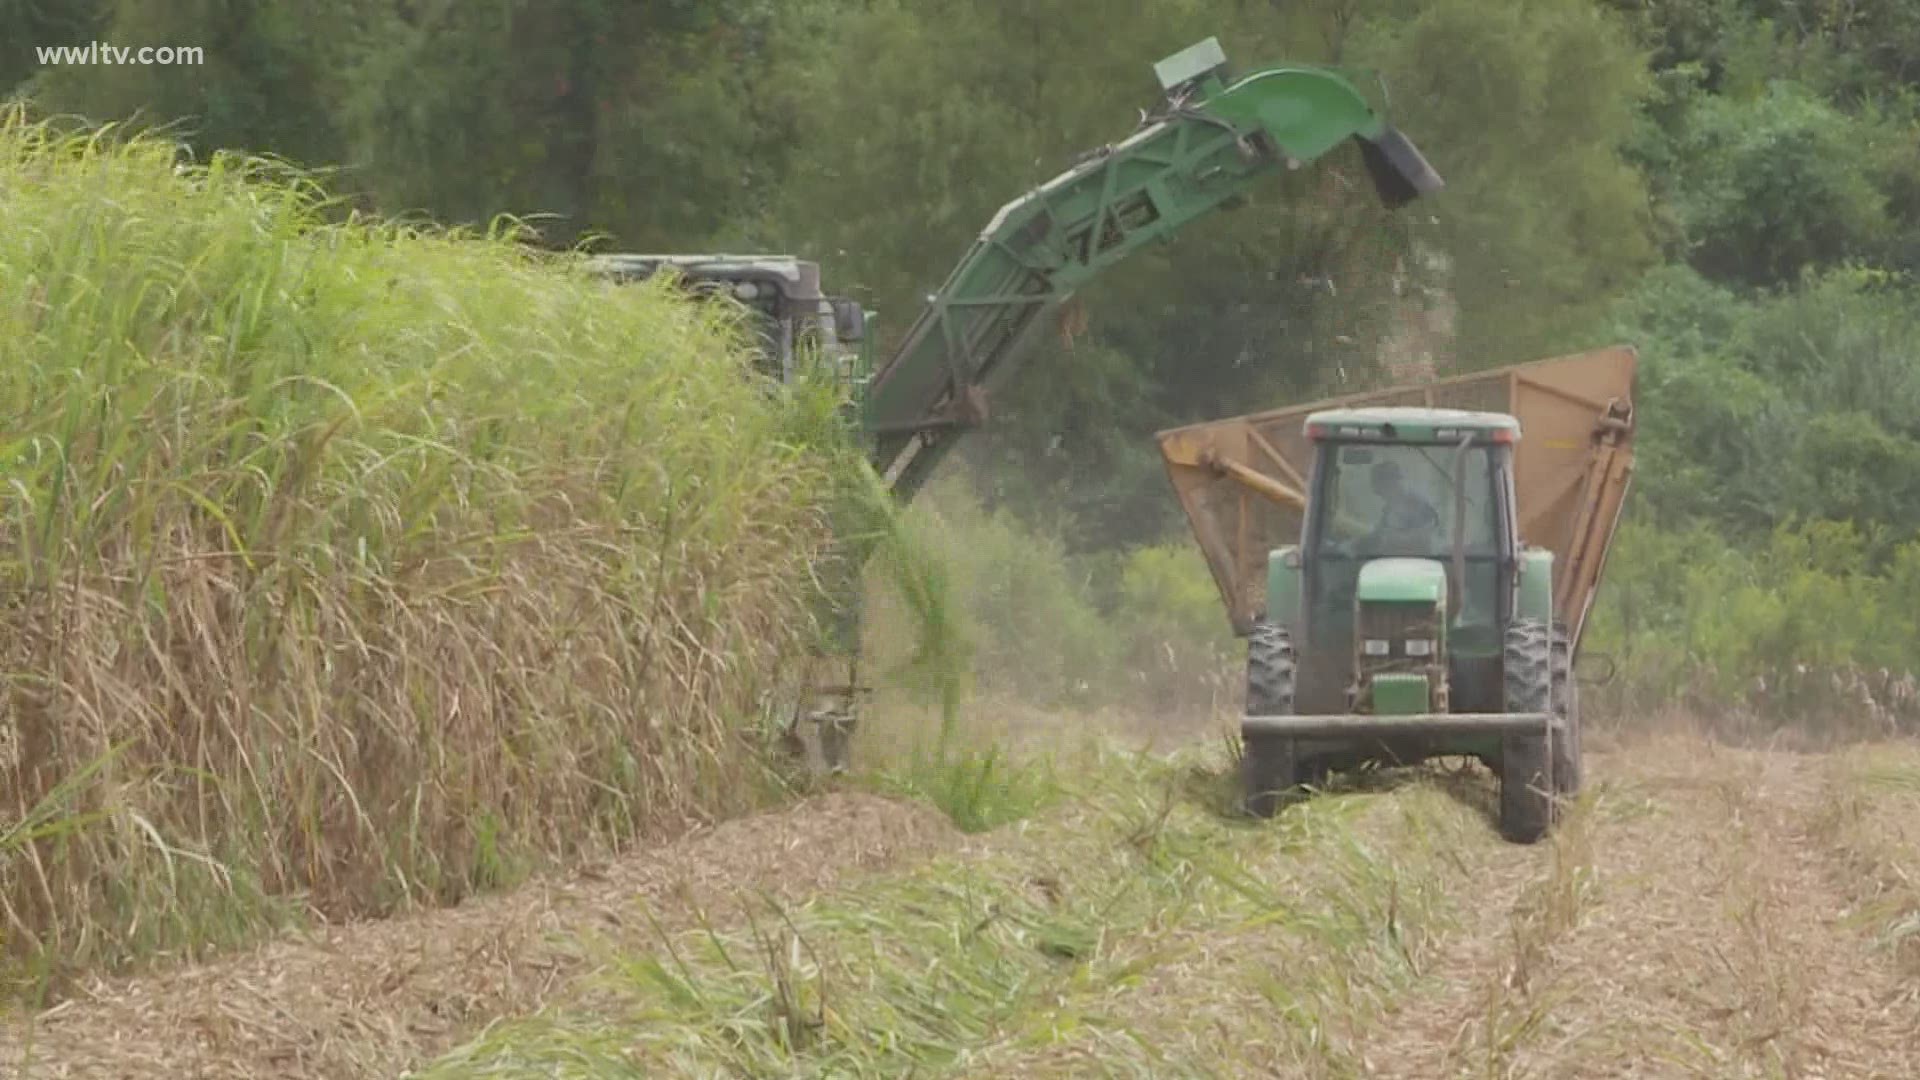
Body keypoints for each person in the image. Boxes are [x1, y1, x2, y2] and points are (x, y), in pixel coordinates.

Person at [1366, 459, 1441, 552]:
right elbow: (1380, 532)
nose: (1379, 493)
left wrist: (1390, 537)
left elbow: (1425, 536)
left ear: (1391, 483)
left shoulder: (1417, 504)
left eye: (1380, 487)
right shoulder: (1389, 508)